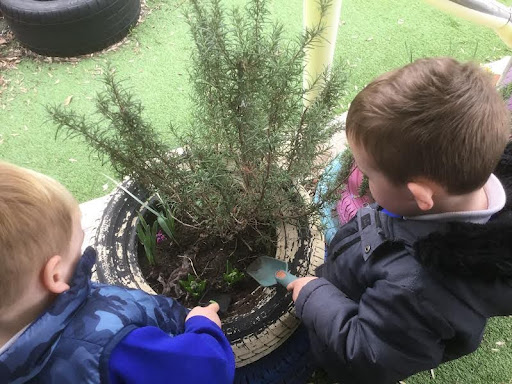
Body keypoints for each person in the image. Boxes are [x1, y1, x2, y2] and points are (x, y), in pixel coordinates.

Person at [287, 57, 512, 383]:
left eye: (368, 175)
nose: (364, 181)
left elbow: (366, 355)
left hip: (344, 347)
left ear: (420, 195)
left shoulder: (419, 291)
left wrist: (313, 296)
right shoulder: (455, 192)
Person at [0, 162, 235, 384]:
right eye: (78, 241)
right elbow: (204, 371)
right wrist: (204, 327)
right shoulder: (113, 347)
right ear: (54, 276)